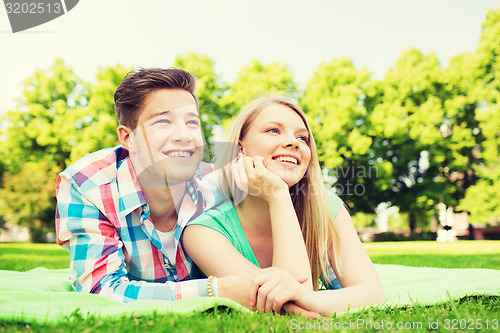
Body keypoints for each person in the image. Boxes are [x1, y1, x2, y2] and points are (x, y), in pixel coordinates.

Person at [55, 68, 273, 305]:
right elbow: (100, 289)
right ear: (128, 138)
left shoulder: (218, 184)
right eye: (163, 121)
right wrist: (215, 290)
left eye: (192, 122)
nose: (184, 135)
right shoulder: (88, 185)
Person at [183, 96, 386, 315]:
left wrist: (314, 301)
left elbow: (373, 292)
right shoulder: (202, 231)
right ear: (240, 147)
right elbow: (284, 306)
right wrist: (278, 194)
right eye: (273, 130)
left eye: (303, 138)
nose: (294, 142)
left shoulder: (327, 208)